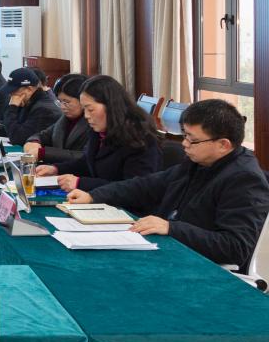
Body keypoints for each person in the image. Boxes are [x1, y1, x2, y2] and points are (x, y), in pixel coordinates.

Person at [67, 99, 269, 269]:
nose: (184, 144)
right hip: (168, 252)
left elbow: (235, 248)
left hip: (198, 267)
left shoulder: (245, 180)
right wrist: (94, 195)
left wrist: (171, 228)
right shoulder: (198, 162)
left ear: (223, 145)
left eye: (192, 139)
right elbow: (146, 185)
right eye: (185, 135)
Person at [36, 75, 161, 191]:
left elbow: (134, 189)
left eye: (90, 109)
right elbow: (87, 162)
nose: (86, 116)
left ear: (111, 106)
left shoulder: (140, 138)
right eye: (84, 109)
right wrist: (56, 169)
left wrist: (81, 183)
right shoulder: (100, 131)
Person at [0, 67, 61, 145]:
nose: (11, 95)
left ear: (29, 89)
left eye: (14, 91)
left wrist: (12, 107)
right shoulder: (29, 101)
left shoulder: (44, 109)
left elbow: (18, 138)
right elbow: (15, 128)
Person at [23, 74, 89, 164]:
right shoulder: (65, 119)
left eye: (66, 102)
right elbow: (44, 135)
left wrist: (43, 153)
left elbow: (84, 156)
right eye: (59, 101)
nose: (62, 107)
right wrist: (34, 142)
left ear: (83, 100)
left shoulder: (93, 123)